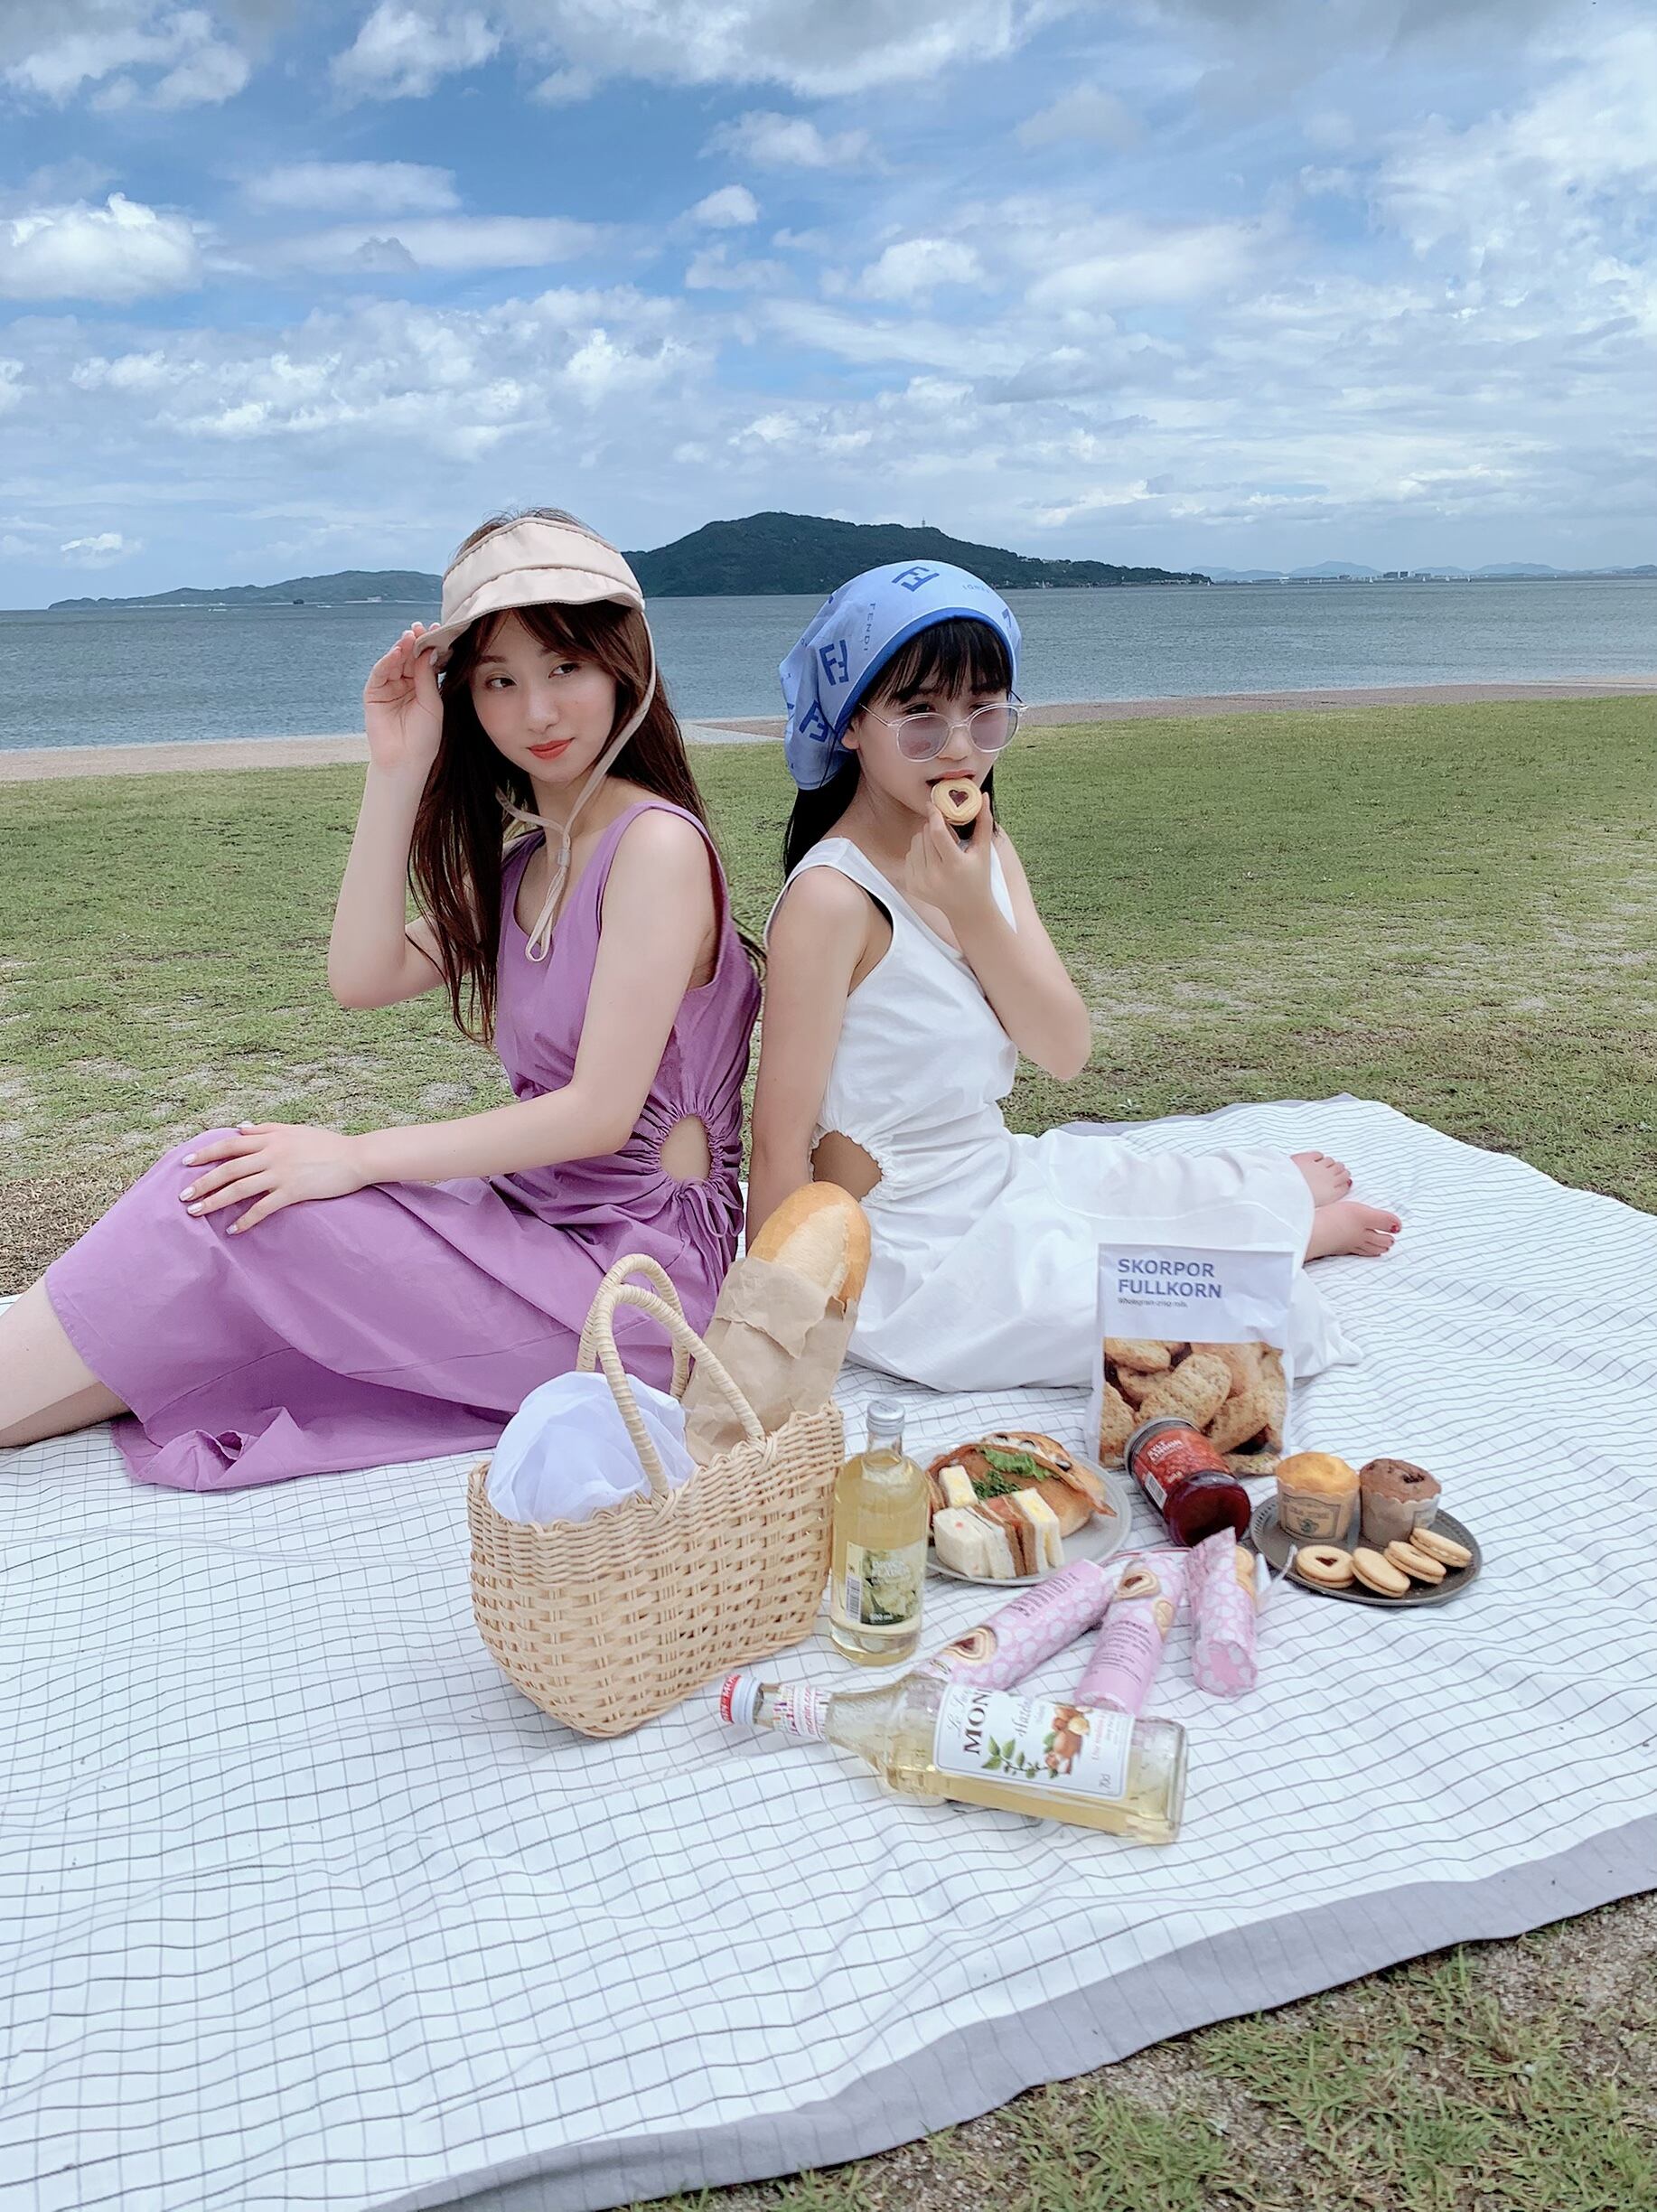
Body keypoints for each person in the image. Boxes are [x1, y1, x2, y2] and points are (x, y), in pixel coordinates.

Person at [0, 510, 761, 1486]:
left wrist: (352, 1157)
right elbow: (359, 978)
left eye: (565, 665)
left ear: (624, 665)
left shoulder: (654, 845)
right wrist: (397, 769)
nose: (537, 711)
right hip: (534, 1236)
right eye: (499, 680)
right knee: (223, 1186)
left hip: (635, 1299)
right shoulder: (528, 864)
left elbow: (597, 1113)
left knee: (228, 1204)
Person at [747, 560, 1400, 1392]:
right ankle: (1283, 1242)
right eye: (920, 716)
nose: (959, 747)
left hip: (994, 1172)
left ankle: (1264, 1218)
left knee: (1160, 1184)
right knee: (1234, 1317)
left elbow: (1063, 1050)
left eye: (985, 712)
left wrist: (975, 909)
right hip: (910, 1249)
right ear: (849, 725)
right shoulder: (831, 901)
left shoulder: (984, 852)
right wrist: (772, 1335)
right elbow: (776, 1144)